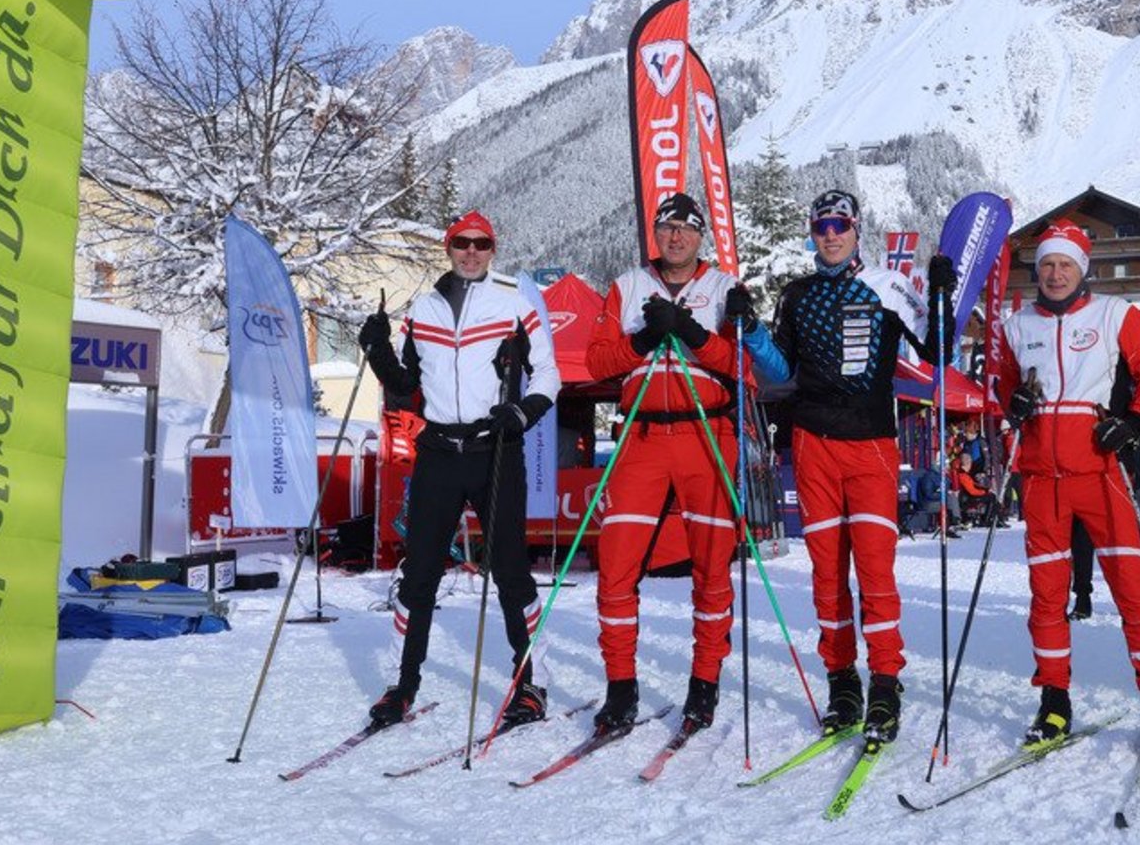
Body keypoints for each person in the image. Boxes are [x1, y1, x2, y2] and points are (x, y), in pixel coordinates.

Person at [736, 188, 952, 745]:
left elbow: (936, 353)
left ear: (857, 230)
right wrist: (754, 332)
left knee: (876, 573)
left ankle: (885, 682)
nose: (830, 234)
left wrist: (946, 297)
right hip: (812, 444)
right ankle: (842, 682)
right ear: (812, 232)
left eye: (840, 224)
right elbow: (780, 372)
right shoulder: (798, 293)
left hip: (873, 446)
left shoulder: (889, 286)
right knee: (827, 574)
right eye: (821, 225)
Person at [357, 211, 560, 730]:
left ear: (493, 250)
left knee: (510, 571)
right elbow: (406, 386)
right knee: (419, 574)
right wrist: (378, 349)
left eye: (482, 244)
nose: (472, 252)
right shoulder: (421, 310)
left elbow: (549, 374)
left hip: (494, 449)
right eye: (462, 243)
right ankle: (403, 687)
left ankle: (528, 682)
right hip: (439, 452)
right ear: (448, 249)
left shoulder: (513, 306)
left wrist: (524, 412)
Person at [995, 220, 1140, 758]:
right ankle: (1054, 702)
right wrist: (1014, 405)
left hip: (1101, 471)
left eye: (1065, 265)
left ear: (1083, 270)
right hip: (1040, 478)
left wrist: (1133, 421)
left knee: (1131, 589)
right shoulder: (1016, 324)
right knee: (1046, 598)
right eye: (1047, 265)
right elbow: (1003, 385)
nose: (1055, 274)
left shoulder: (1113, 314)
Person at [584, 192, 750, 735]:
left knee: (711, 567)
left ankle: (704, 687)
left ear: (700, 235)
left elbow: (746, 368)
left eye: (686, 228)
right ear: (655, 234)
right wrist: (646, 337)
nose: (675, 237)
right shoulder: (628, 286)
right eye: (667, 228)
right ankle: (620, 689)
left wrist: (696, 335)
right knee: (616, 565)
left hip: (708, 433)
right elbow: (596, 362)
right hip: (642, 437)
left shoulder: (723, 288)